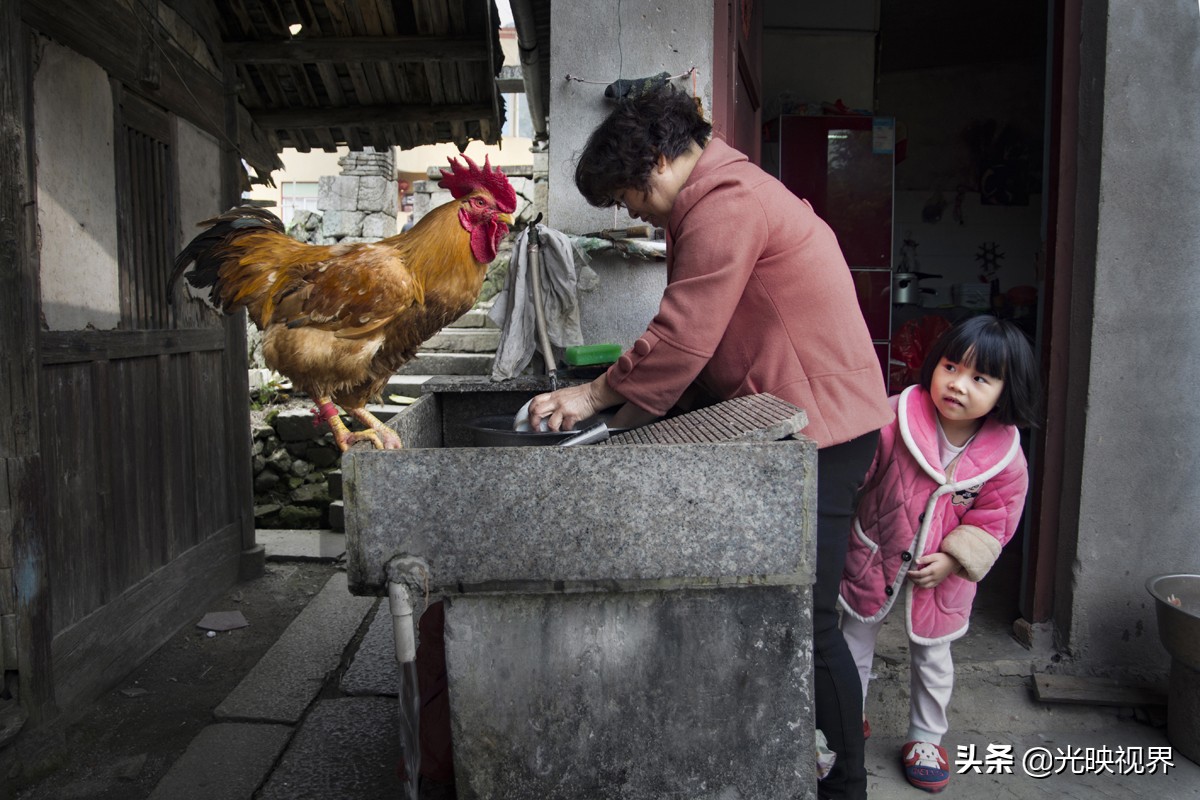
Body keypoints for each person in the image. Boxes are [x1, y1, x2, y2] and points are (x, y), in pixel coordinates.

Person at [526, 83, 893, 800]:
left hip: (826, 431)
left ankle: (844, 787)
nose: (632, 213)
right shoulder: (722, 191)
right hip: (804, 423)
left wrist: (591, 396)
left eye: (627, 198)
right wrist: (619, 421)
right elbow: (702, 343)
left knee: (810, 626)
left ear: (658, 162)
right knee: (787, 617)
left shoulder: (725, 201)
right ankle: (788, 763)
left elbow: (684, 332)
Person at [838, 315, 1040, 793]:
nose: (958, 385)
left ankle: (926, 737)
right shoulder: (894, 418)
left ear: (1006, 392)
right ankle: (847, 717)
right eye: (951, 367)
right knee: (853, 641)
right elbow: (857, 471)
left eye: (980, 378)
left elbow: (996, 519)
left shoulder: (1005, 457)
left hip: (940, 574)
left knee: (933, 658)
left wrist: (954, 559)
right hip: (876, 550)